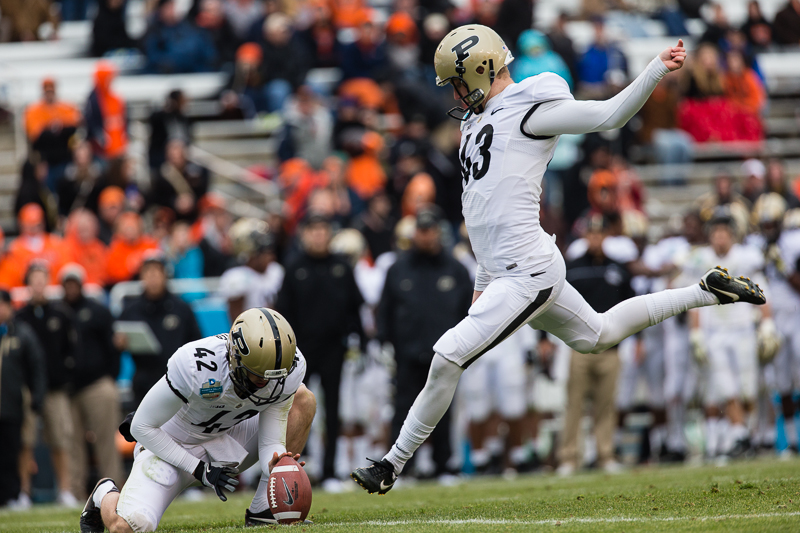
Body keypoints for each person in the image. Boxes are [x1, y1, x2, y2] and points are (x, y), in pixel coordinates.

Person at [351, 24, 766, 494]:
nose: (458, 94)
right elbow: (486, 213)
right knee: (598, 334)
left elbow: (609, 115)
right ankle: (705, 290)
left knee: (446, 356)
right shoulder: (475, 120)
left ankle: (390, 463)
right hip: (508, 267)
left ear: (482, 69)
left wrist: (655, 69)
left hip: (527, 270)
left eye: (460, 82)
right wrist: (483, 278)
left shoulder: (530, 107)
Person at [79, 308, 317, 532]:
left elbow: (270, 441)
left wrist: (276, 466)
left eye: (272, 378)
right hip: (168, 448)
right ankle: (104, 493)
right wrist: (198, 468)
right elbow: (141, 426)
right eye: (256, 376)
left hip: (225, 439)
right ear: (235, 356)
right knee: (127, 527)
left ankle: (264, 509)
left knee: (303, 400)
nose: (265, 384)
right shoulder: (196, 365)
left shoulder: (288, 369)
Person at [376, 206, 472, 478]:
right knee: (402, 410)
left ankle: (444, 465)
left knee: (442, 410)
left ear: (439, 232)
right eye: (421, 230)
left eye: (430, 230)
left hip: (444, 355)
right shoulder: (398, 268)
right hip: (406, 353)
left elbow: (469, 313)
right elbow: (385, 309)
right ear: (414, 232)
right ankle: (401, 469)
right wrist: (383, 342)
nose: (426, 236)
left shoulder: (456, 269)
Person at [277, 213, 364, 489]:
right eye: (313, 229)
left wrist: (360, 341)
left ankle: (329, 470)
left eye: (323, 229)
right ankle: (290, 467)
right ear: (304, 234)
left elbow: (355, 308)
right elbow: (282, 313)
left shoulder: (341, 266)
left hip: (334, 349)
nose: (318, 235)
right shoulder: (293, 268)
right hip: (300, 353)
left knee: (334, 408)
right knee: (294, 407)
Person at [682, 211, 774, 459]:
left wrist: (767, 324)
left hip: (743, 328)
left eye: (724, 233)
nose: (720, 238)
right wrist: (696, 332)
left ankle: (745, 434)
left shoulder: (746, 257)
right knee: (725, 386)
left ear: (732, 236)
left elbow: (762, 292)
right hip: (715, 332)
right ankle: (740, 434)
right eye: (716, 233)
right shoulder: (701, 259)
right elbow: (693, 301)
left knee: (748, 388)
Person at [558, 215, 633, 475]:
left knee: (606, 404)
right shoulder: (572, 268)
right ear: (584, 236)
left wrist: (639, 340)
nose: (595, 238)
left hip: (611, 349)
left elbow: (632, 307)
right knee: (574, 403)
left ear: (606, 236)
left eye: (599, 234)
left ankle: (605, 454)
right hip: (578, 348)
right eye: (591, 234)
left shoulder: (618, 269)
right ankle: (569, 457)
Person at [16, 263, 80, 506]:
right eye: (35, 279)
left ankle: (65, 490)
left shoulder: (61, 314)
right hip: (29, 389)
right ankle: (23, 492)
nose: (39, 284)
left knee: (61, 440)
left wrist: (65, 376)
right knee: (26, 441)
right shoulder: (20, 317)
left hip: (55, 389)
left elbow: (71, 350)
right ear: (28, 283)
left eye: (43, 279)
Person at [60, 264, 124, 498]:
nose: (71, 287)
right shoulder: (58, 313)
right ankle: (75, 492)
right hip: (68, 388)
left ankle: (115, 490)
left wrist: (110, 377)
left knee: (106, 441)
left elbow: (114, 347)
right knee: (72, 444)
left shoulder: (98, 311)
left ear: (81, 283)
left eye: (74, 282)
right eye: (67, 283)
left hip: (98, 384)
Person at [116, 252, 203, 405]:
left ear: (164, 275)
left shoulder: (181, 308)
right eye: (148, 272)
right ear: (142, 276)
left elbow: (196, 343)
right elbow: (116, 344)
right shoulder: (131, 311)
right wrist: (119, 344)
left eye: (156, 272)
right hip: (144, 380)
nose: (153, 277)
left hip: (177, 379)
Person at [0, 289, 47, 508]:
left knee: (12, 450)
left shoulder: (22, 333)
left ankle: (12, 494)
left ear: (10, 307)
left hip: (12, 404)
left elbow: (37, 366)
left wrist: (37, 396)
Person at [219, 218, 283, 321]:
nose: (270, 257)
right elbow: (237, 319)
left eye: (270, 251)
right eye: (264, 253)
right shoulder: (237, 277)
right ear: (252, 254)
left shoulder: (276, 271)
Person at [23, 78, 82, 188]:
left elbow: (74, 126)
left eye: (51, 90)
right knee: (48, 190)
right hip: (46, 162)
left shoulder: (66, 107)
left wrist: (53, 128)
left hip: (65, 158)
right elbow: (35, 136)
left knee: (66, 187)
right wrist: (56, 129)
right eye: (47, 90)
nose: (49, 93)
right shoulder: (34, 110)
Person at [85, 61, 128, 160]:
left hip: (118, 146)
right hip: (101, 150)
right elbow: (91, 123)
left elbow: (124, 120)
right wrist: (101, 139)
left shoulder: (116, 99)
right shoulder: (93, 100)